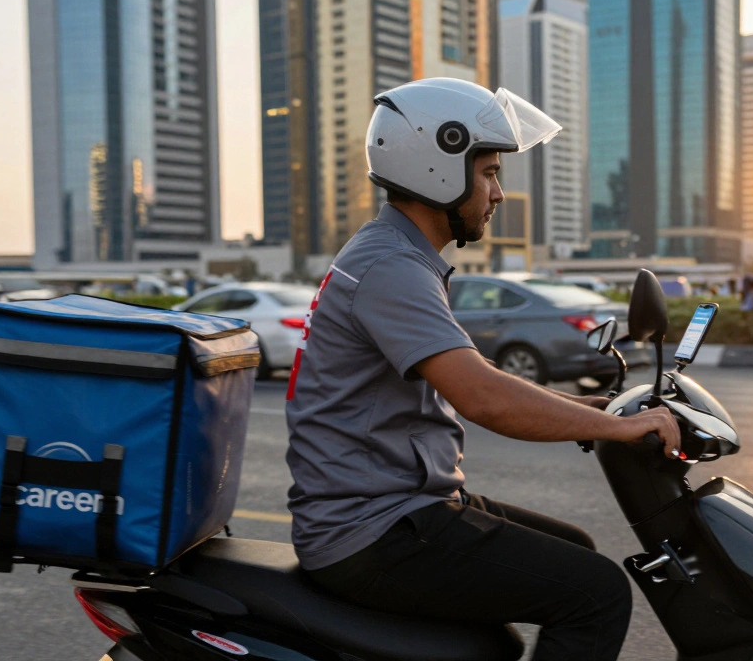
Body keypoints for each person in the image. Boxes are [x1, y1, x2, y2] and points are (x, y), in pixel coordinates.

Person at [284, 78, 680, 661]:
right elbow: (484, 398)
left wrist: (587, 409)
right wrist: (616, 428)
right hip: (370, 530)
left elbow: (473, 372)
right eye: (489, 173)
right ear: (436, 167)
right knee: (596, 594)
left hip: (393, 505)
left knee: (577, 547)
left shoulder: (397, 255)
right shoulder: (392, 267)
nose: (498, 193)